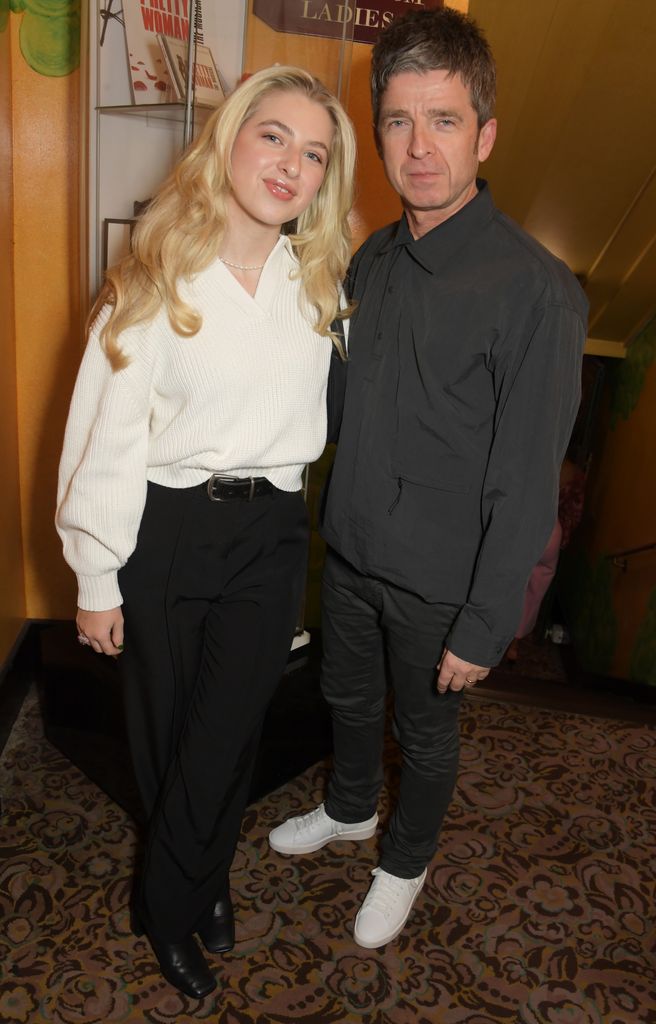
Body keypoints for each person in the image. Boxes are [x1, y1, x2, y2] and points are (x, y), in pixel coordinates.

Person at [268, 9, 588, 950]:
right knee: (348, 700)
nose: (418, 147)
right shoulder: (373, 257)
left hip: (443, 590)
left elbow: (528, 482)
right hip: (356, 555)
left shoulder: (538, 291)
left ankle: (403, 864)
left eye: (443, 120)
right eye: (399, 121)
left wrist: (487, 624)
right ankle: (352, 807)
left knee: (431, 736)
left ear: (484, 134)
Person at [56, 66, 355, 999]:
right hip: (167, 526)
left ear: (323, 179)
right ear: (231, 138)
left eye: (314, 153)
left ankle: (166, 901)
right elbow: (104, 433)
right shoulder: (156, 274)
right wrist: (96, 575)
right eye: (274, 136)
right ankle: (203, 885)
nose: (291, 164)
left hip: (271, 531)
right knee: (168, 736)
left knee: (227, 732)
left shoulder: (323, 285)